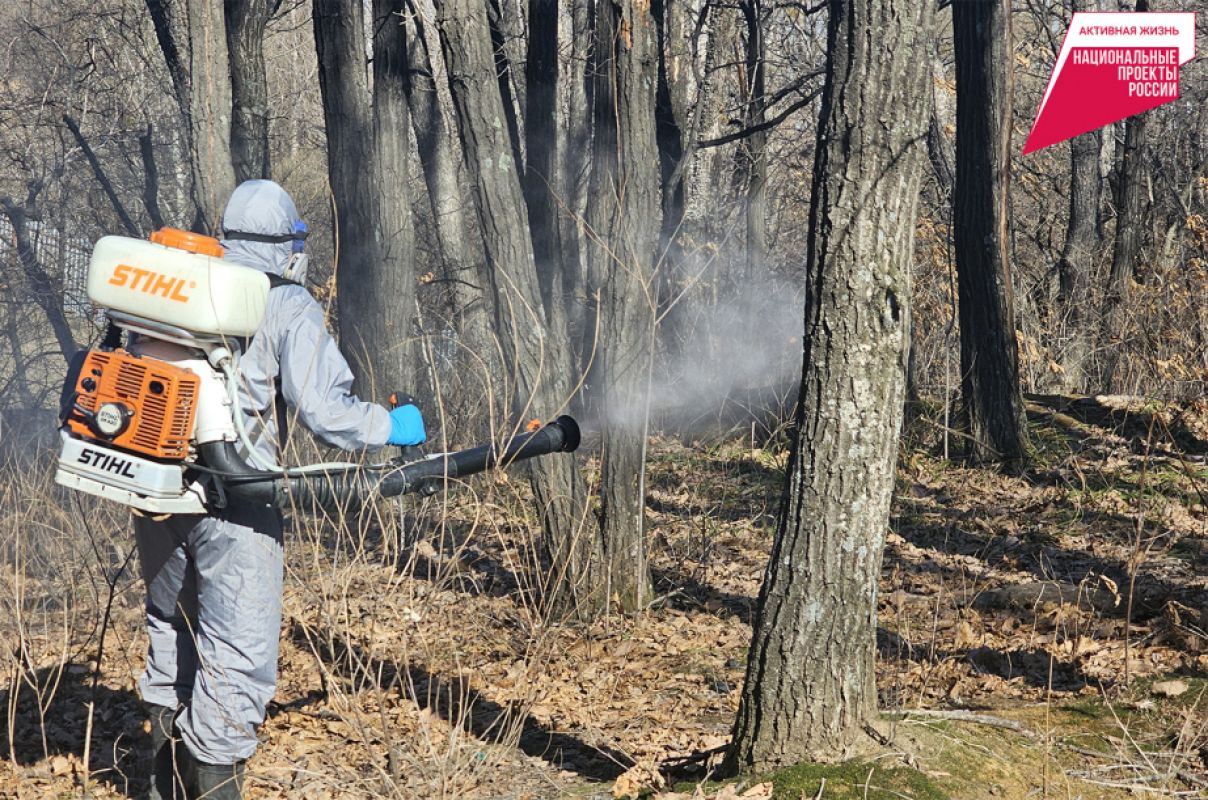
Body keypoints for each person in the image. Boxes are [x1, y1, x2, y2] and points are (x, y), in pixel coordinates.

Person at [135, 179, 425, 799]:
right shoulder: (284, 301)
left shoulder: (176, 285)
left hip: (156, 493)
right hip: (239, 505)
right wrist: (389, 427)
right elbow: (326, 411)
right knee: (235, 664)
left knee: (173, 635)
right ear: (286, 243)